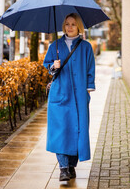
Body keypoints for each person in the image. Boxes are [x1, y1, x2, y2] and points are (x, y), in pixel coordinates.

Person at [43, 13, 95, 181]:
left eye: (73, 24)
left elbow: (90, 69)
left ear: (78, 26)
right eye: (67, 24)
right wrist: (53, 66)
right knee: (61, 130)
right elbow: (47, 66)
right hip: (59, 95)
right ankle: (63, 167)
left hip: (79, 96)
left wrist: (87, 91)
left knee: (78, 129)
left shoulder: (86, 47)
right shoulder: (55, 46)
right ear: (63, 26)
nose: (70, 27)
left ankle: (72, 165)